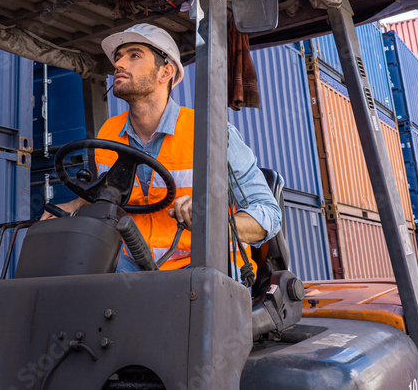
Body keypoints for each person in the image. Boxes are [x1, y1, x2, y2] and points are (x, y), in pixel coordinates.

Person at [44, 23, 282, 274]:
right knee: (66, 281)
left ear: (165, 72)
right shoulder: (108, 133)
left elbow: (268, 214)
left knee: (192, 298)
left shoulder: (212, 132)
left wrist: (211, 220)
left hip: (203, 265)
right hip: (131, 262)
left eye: (134, 55)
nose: (119, 64)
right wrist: (77, 204)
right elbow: (109, 191)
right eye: (118, 58)